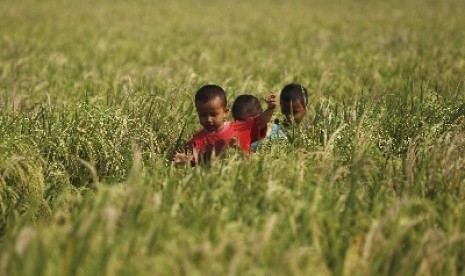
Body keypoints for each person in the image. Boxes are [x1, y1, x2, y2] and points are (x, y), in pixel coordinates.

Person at [173, 85, 276, 165]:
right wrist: (183, 159)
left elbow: (262, 121)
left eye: (214, 114)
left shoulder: (241, 128)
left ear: (225, 112)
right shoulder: (198, 140)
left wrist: (270, 108)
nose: (208, 120)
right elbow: (193, 160)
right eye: (203, 115)